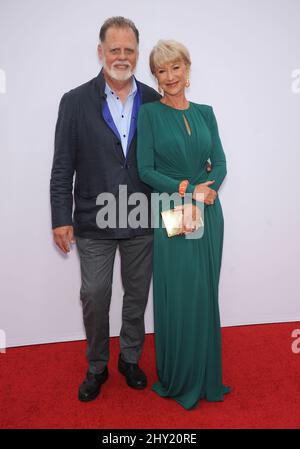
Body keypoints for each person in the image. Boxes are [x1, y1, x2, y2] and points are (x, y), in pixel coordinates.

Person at [50, 17, 161, 402]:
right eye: (114, 49)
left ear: (137, 53)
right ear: (100, 51)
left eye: (129, 49)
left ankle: (130, 359)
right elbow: (63, 165)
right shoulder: (75, 101)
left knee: (136, 295)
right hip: (93, 219)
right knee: (95, 294)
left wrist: (199, 165)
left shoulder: (154, 99)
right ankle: (97, 366)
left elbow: (165, 158)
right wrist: (60, 218)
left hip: (142, 216)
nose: (122, 56)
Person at [136, 40, 231, 410]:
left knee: (205, 293)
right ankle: (179, 375)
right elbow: (146, 170)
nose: (170, 76)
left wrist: (208, 189)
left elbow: (220, 162)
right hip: (175, 211)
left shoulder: (206, 112)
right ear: (156, 76)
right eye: (162, 70)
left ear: (187, 69)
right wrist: (189, 188)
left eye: (176, 68)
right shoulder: (150, 115)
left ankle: (207, 375)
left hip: (208, 211)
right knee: (180, 294)